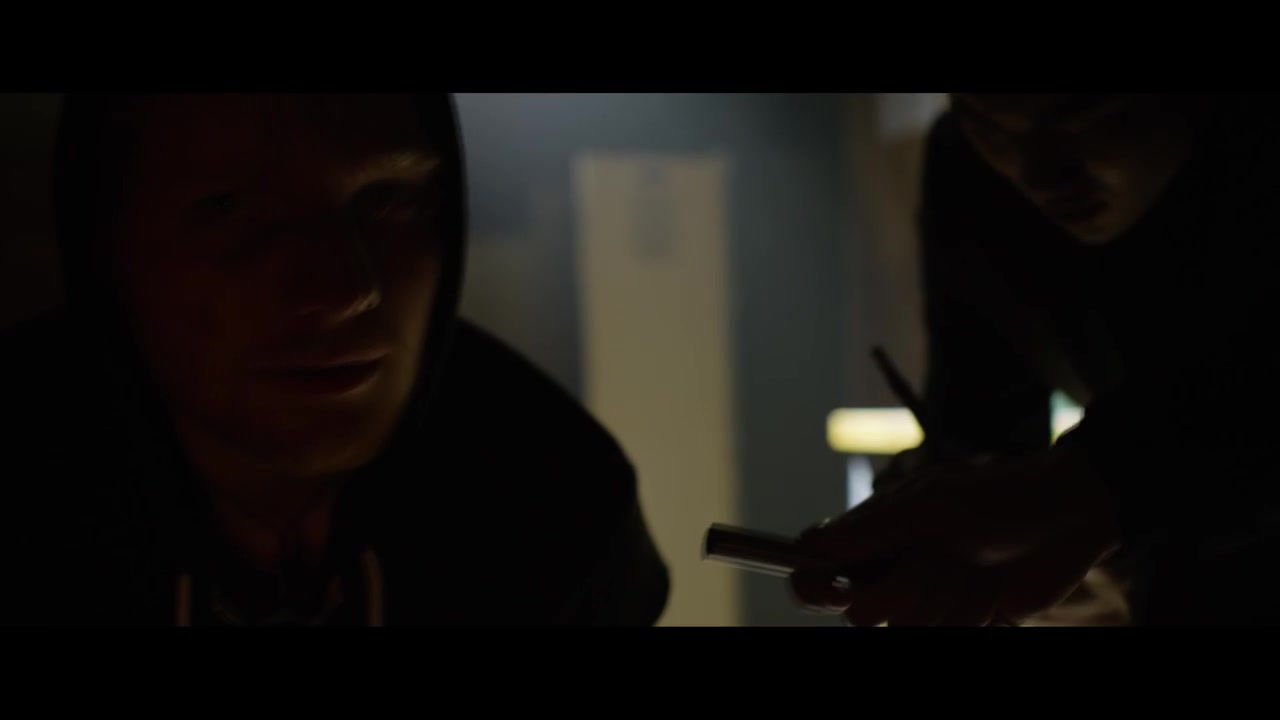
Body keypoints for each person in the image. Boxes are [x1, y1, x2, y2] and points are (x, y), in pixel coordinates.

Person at [0, 93, 670, 626]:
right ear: (106, 246)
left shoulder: (555, 505)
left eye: (387, 199)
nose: (343, 290)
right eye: (229, 210)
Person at [791, 93, 1280, 626]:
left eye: (1088, 117)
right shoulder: (972, 174)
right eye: (992, 126)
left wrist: (1083, 494)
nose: (1040, 174)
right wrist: (945, 482)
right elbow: (979, 427)